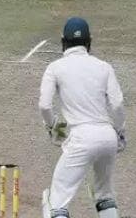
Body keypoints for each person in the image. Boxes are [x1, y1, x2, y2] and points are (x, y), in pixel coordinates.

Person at [39, 17, 126, 218]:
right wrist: (120, 133)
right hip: (107, 137)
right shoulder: (104, 66)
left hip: (80, 138)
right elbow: (117, 104)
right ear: (89, 42)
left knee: (56, 202)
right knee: (104, 195)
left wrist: (54, 128)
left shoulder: (55, 67)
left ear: (63, 41)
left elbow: (44, 105)